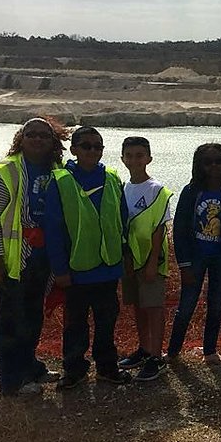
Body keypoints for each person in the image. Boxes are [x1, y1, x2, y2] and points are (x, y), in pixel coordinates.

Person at [0, 116, 68, 398]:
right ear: (21, 139)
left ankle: (30, 366)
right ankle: (11, 381)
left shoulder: (57, 170)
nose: (37, 139)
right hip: (14, 260)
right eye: (31, 134)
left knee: (34, 315)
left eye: (43, 135)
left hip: (44, 257)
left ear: (53, 142)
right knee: (12, 321)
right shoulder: (6, 172)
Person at [45, 125, 131, 388]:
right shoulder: (60, 181)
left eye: (98, 146)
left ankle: (107, 367)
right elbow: (53, 230)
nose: (92, 151)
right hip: (76, 270)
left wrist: (123, 259)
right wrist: (60, 270)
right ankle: (74, 370)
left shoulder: (113, 178)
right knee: (74, 326)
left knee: (107, 323)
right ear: (74, 149)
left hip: (108, 268)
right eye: (86, 146)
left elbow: (122, 221)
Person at [168, 143, 221, 365]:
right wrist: (184, 264)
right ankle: (172, 353)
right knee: (187, 305)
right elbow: (179, 229)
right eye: (207, 162)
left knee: (217, 304)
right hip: (195, 257)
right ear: (199, 165)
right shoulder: (191, 192)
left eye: (218, 161)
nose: (213, 166)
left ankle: (210, 352)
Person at [117, 136, 172, 383]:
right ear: (122, 159)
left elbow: (159, 230)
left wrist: (152, 263)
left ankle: (157, 356)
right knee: (138, 306)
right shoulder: (123, 188)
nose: (134, 160)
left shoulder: (156, 190)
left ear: (148, 158)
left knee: (153, 307)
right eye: (129, 156)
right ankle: (144, 349)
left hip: (151, 262)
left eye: (140, 155)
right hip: (130, 261)